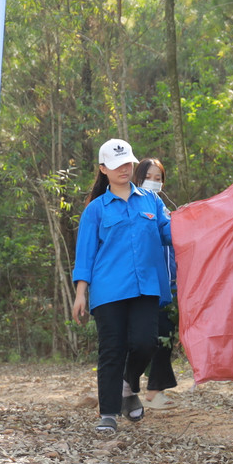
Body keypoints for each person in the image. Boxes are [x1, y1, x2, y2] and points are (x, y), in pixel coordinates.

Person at [71, 138, 173, 436]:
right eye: (116, 165)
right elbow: (85, 254)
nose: (124, 169)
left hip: (145, 287)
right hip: (109, 289)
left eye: (127, 163)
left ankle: (127, 383)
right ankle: (109, 412)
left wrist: (196, 219)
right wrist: (80, 292)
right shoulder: (96, 209)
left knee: (146, 343)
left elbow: (170, 234)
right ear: (103, 169)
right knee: (111, 350)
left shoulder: (152, 201)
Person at [133, 157, 181, 408]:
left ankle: (154, 391)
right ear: (137, 178)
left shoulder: (163, 208)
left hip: (168, 284)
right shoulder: (133, 205)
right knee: (145, 338)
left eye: (158, 178)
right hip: (143, 285)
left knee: (165, 336)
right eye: (148, 177)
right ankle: (127, 388)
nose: (153, 182)